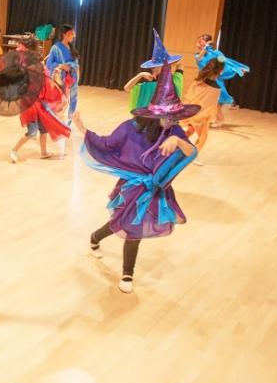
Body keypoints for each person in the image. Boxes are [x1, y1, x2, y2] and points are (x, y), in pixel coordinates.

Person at [74, 56, 199, 293]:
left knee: (129, 224)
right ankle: (127, 274)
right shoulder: (130, 128)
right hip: (132, 186)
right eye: (167, 116)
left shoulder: (174, 131)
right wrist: (83, 130)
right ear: (154, 113)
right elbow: (107, 144)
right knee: (133, 227)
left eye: (175, 116)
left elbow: (191, 152)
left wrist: (177, 141)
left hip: (155, 189)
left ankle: (95, 237)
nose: (171, 121)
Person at [9, 37, 70, 162]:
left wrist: (53, 73)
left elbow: (45, 80)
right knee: (32, 131)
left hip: (39, 101)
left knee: (43, 129)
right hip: (30, 103)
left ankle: (43, 153)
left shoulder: (35, 65)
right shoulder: (26, 66)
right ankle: (14, 150)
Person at [195, 34, 250, 128]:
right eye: (197, 42)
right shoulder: (198, 54)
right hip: (204, 80)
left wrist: (236, 68)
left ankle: (217, 119)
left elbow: (224, 62)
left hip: (214, 80)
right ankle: (212, 119)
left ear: (206, 42)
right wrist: (205, 49)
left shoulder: (216, 53)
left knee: (213, 101)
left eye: (200, 42)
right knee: (206, 100)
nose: (197, 44)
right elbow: (199, 59)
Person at [124, 30, 184, 112]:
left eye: (156, 67)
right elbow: (127, 88)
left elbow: (181, 62)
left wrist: (167, 64)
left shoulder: (175, 81)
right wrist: (141, 74)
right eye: (153, 68)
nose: (153, 69)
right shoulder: (149, 84)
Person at [180, 57, 225, 165]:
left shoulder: (199, 81)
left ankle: (178, 148)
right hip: (200, 116)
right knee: (203, 137)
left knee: (190, 131)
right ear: (220, 71)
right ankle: (192, 156)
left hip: (191, 111)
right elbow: (210, 106)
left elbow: (190, 95)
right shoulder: (215, 89)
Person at [45, 24, 80, 122]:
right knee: (60, 101)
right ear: (64, 35)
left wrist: (72, 65)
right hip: (60, 79)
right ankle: (56, 121)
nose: (73, 36)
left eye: (73, 34)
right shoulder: (56, 48)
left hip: (71, 78)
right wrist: (61, 66)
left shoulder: (71, 48)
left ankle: (69, 120)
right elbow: (49, 63)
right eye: (71, 34)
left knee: (71, 99)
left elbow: (76, 63)